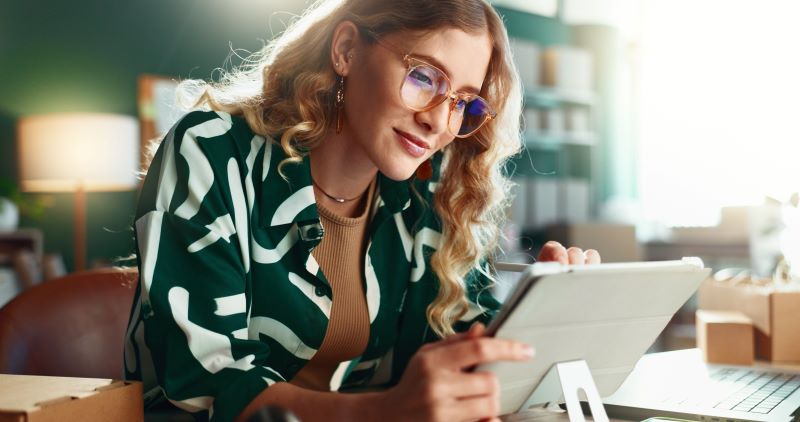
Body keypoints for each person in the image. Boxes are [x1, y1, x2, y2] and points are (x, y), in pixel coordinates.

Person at [123, 0, 601, 421]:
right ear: (347, 50)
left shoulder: (424, 191)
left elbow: (456, 338)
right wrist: (386, 413)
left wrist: (544, 315)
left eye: (463, 102)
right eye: (423, 77)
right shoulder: (210, 152)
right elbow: (210, 385)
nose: (438, 119)